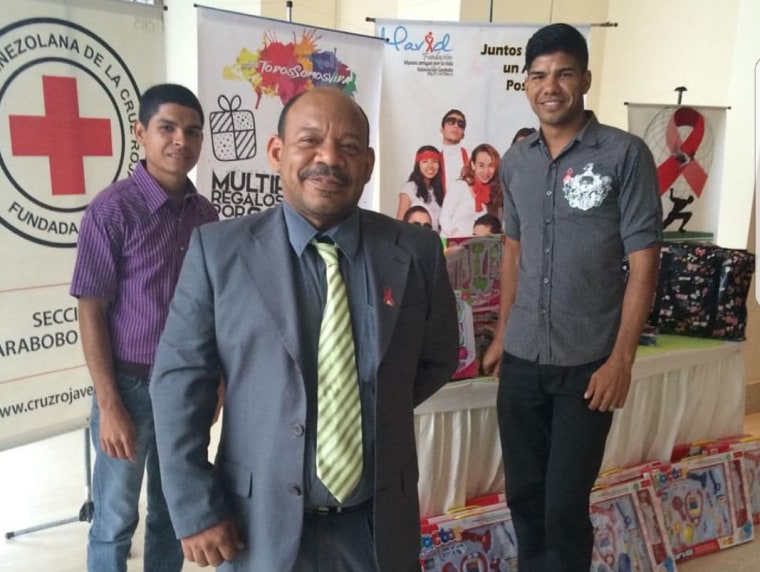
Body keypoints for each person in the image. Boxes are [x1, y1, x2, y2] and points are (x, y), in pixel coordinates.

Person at [149, 86, 459, 572]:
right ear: (277, 152)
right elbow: (177, 385)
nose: (329, 158)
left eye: (349, 147)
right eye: (309, 141)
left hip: (375, 529)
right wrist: (193, 507)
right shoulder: (218, 252)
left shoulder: (415, 251)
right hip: (255, 527)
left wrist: (368, 404)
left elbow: (436, 358)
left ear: (369, 163)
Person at [481, 23, 662, 572]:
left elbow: (644, 262)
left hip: (588, 366)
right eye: (537, 75)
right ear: (526, 84)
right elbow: (513, 251)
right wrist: (503, 333)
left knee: (563, 506)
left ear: (585, 78)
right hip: (522, 359)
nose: (549, 85)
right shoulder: (516, 163)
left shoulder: (623, 155)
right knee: (524, 498)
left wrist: (621, 361)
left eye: (562, 72)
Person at [69, 83, 219, 572]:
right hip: (129, 387)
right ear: (140, 133)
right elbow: (90, 307)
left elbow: (214, 307)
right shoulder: (112, 210)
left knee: (174, 511)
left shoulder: (205, 216)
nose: (181, 140)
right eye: (167, 128)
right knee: (113, 518)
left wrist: (216, 380)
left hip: (185, 388)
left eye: (193, 131)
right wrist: (109, 404)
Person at [439, 143, 502, 237]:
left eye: (490, 166)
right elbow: (444, 218)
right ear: (473, 165)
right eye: (481, 165)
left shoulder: (495, 192)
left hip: (477, 247)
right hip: (452, 244)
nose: (486, 171)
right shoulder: (460, 186)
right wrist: (458, 237)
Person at [395, 145, 444, 231]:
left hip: (435, 240)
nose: (430, 166)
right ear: (418, 165)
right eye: (425, 161)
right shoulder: (409, 188)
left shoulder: (438, 190)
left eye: (434, 161)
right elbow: (399, 223)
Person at [439, 108, 469, 194]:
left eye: (460, 124)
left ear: (463, 134)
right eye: (451, 121)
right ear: (442, 129)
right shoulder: (434, 161)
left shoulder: (472, 156)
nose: (456, 126)